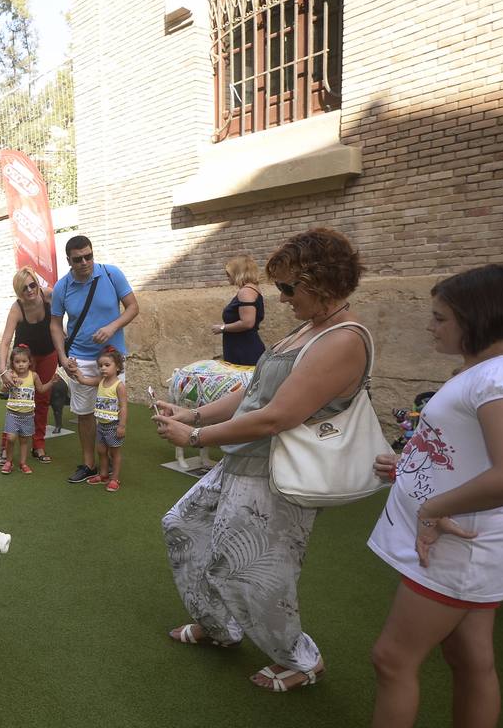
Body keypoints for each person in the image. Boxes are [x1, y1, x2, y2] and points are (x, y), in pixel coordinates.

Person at [302, 264, 503, 728]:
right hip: (472, 548)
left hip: (458, 551)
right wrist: (409, 465)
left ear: (476, 319)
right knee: (469, 659)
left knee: (392, 658)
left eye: (441, 318)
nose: (431, 326)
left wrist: (433, 509)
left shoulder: (499, 379)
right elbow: (468, 452)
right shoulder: (487, 371)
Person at [154, 227, 369, 692]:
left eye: (290, 287)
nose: (283, 297)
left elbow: (276, 417)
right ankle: (219, 628)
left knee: (252, 567)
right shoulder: (307, 328)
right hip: (244, 463)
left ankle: (300, 659)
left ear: (322, 281)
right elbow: (251, 392)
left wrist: (194, 435)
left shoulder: (344, 339)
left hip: (277, 473)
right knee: (182, 525)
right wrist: (190, 412)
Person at [49, 235, 139, 483]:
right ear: (69, 260)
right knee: (85, 413)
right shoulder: (62, 287)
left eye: (88, 256)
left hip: (112, 357)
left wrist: (112, 328)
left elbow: (133, 307)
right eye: (78, 259)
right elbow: (55, 324)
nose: (85, 262)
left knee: (111, 409)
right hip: (80, 358)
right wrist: (62, 356)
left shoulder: (111, 274)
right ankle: (89, 464)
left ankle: (109, 463)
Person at [0, 267, 57, 464]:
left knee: (42, 399)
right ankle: (5, 447)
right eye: (24, 288)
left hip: (48, 353)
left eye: (33, 285)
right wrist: (3, 370)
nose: (30, 290)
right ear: (18, 292)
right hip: (24, 360)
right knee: (17, 401)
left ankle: (38, 444)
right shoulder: (17, 308)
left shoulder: (49, 295)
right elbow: (6, 341)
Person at [70, 346, 128, 491]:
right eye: (101, 365)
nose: (103, 368)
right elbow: (83, 380)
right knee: (101, 450)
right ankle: (103, 474)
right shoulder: (100, 381)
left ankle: (115, 478)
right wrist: (75, 369)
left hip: (113, 425)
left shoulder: (118, 386)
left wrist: (122, 425)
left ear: (118, 367)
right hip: (101, 424)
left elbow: (124, 407)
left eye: (107, 365)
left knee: (115, 453)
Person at [0, 344, 57, 476]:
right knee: (11, 438)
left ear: (30, 362)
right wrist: (7, 383)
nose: (21, 365)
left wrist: (52, 382)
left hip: (27, 415)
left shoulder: (34, 376)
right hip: (12, 414)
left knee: (24, 440)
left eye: (24, 361)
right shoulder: (11, 375)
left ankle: (23, 463)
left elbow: (41, 389)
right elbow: (2, 391)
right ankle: (8, 461)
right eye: (17, 362)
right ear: (12, 363)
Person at [215, 254, 265, 366]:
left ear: (238, 273)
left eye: (229, 274)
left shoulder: (246, 291)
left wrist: (222, 328)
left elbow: (247, 323)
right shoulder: (251, 289)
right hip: (242, 347)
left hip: (244, 349)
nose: (228, 277)